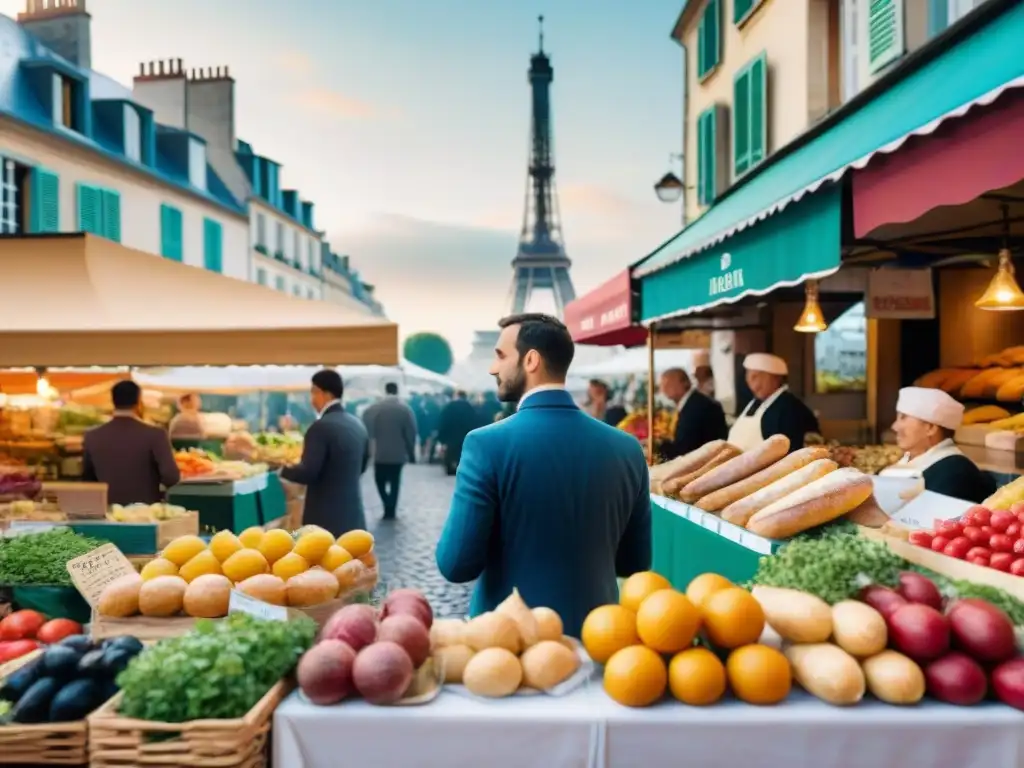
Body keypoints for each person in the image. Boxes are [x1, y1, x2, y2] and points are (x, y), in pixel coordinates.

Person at [435, 313, 652, 638]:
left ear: (531, 360)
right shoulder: (627, 447)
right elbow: (634, 563)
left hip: (510, 641)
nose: (494, 368)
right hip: (599, 635)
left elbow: (456, 564)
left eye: (501, 356)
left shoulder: (485, 444)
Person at [280, 370, 370, 536]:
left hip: (325, 521)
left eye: (313, 393)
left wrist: (281, 469)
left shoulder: (320, 427)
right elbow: (363, 466)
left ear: (321, 393)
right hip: (354, 518)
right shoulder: (358, 425)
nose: (312, 399)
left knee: (325, 562)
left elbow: (308, 472)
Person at [881, 386, 995, 503]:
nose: (894, 427)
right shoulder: (909, 461)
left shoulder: (953, 470)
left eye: (903, 418)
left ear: (930, 428)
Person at [82, 380, 181, 505]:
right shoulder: (155, 434)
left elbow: (88, 478)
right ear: (139, 401)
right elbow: (171, 477)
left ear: (113, 401)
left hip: (106, 510)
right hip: (146, 513)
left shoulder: (92, 436)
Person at [730, 353, 819, 452]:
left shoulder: (791, 409)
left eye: (756, 376)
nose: (751, 384)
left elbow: (791, 451)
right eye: (748, 377)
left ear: (776, 378)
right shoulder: (755, 402)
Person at [362, 382, 418, 520]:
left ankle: (386, 502)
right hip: (398, 453)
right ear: (397, 391)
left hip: (379, 453)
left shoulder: (374, 408)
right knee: (395, 481)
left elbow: (365, 428)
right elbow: (411, 432)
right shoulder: (405, 410)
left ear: (385, 391)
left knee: (379, 480)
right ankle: (391, 508)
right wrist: (411, 452)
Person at [658, 367, 728, 459]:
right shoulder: (691, 403)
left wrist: (658, 445)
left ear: (685, 383)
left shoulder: (699, 406)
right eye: (662, 385)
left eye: (667, 384)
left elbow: (685, 448)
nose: (663, 389)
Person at [437, 390, 479, 476]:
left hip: (451, 434)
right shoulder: (470, 407)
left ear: (457, 396)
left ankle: (449, 468)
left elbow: (443, 420)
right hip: (464, 434)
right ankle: (462, 468)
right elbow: (474, 421)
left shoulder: (450, 406)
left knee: (450, 451)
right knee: (462, 452)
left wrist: (441, 435)